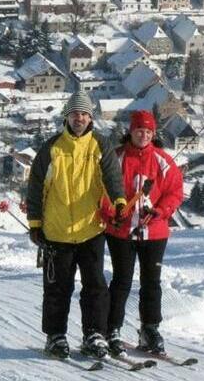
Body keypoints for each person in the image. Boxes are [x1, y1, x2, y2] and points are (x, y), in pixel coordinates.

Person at [26, 90, 124, 360]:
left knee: (95, 287)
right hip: (56, 232)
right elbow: (35, 188)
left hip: (91, 230)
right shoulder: (51, 149)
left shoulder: (100, 146)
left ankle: (94, 334)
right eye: (74, 114)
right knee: (58, 289)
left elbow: (113, 178)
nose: (79, 118)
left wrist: (119, 203)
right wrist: (35, 223)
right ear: (66, 118)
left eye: (83, 114)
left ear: (90, 118)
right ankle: (55, 336)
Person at [99, 110, 184, 356]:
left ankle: (150, 329)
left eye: (148, 131)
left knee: (151, 283)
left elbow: (175, 192)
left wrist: (159, 211)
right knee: (121, 281)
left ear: (153, 133)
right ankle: (111, 328)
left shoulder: (163, 160)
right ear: (131, 131)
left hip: (154, 233)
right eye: (139, 130)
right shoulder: (116, 157)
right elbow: (101, 190)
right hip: (121, 231)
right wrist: (111, 213)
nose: (143, 135)